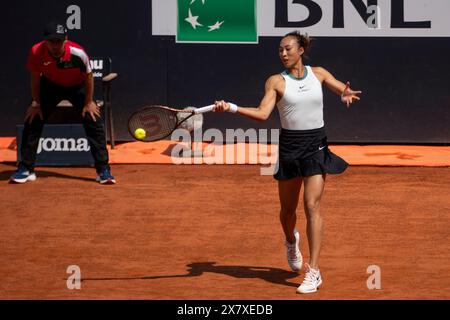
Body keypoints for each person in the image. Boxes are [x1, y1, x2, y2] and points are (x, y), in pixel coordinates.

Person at [213, 31, 361, 294]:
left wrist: (345, 93)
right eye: (280, 50)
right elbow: (262, 113)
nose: (283, 53)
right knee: (287, 212)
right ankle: (291, 240)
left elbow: (340, 87)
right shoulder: (275, 82)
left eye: (288, 49)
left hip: (315, 145)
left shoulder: (318, 73)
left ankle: (313, 271)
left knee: (311, 205)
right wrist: (233, 108)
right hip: (290, 148)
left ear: (300, 50)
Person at [10, 22, 115, 184]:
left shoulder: (77, 53)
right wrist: (36, 103)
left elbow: (88, 76)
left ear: (66, 39)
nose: (55, 46)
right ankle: (26, 169)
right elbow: (35, 79)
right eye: (52, 42)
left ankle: (103, 170)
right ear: (45, 41)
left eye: (59, 41)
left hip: (77, 86)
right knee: (33, 120)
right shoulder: (36, 52)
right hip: (50, 85)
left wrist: (88, 102)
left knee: (93, 120)